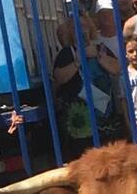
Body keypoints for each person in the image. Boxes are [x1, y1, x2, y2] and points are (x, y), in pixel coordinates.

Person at [52, 13, 124, 159]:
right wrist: (78, 61)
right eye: (76, 27)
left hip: (104, 118)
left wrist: (97, 55)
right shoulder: (67, 52)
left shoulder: (101, 48)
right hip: (80, 123)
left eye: (84, 26)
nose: (81, 30)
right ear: (70, 31)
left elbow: (116, 68)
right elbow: (59, 77)